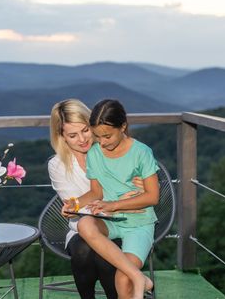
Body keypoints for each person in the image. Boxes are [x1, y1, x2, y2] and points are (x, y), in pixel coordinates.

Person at [48, 99, 144, 299]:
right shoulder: (57, 165)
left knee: (102, 258)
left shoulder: (113, 148)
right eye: (72, 135)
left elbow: (142, 187)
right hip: (82, 228)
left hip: (124, 225)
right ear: (62, 136)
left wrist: (138, 190)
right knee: (82, 250)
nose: (82, 139)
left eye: (85, 130)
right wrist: (118, 200)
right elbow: (78, 208)